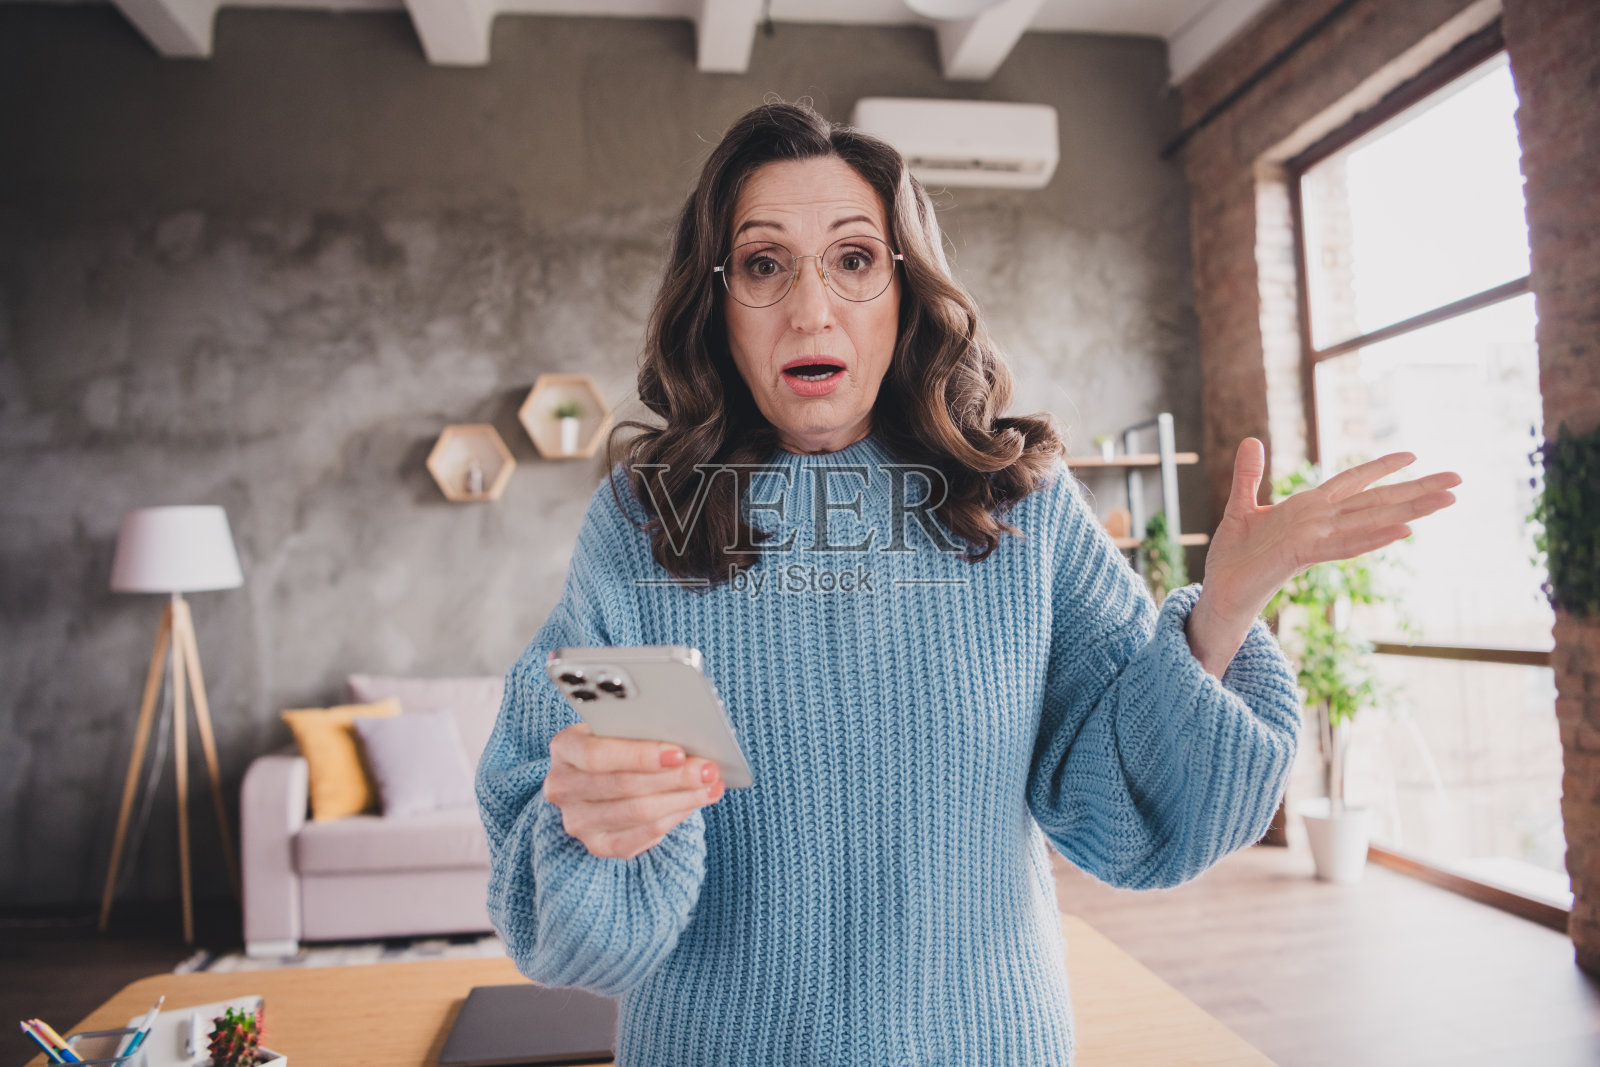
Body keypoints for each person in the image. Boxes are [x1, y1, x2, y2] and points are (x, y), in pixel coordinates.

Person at [475, 100, 1460, 1065]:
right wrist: (593, 828)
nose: (810, 307)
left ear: (903, 293)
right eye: (764, 264)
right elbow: (570, 915)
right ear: (717, 300)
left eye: (854, 260)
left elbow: (1132, 820)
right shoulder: (643, 528)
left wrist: (1224, 610)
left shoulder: (1016, 508)